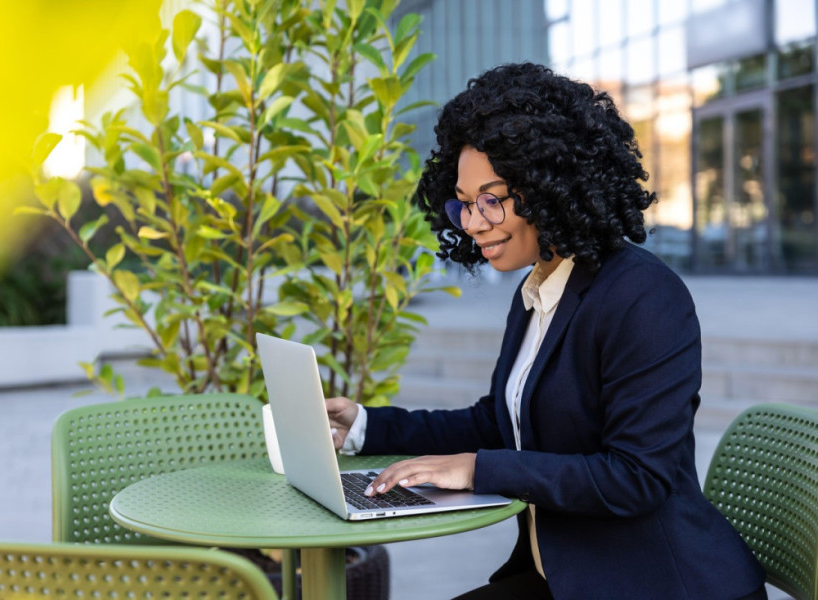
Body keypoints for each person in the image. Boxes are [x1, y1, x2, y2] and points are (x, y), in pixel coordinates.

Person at [326, 63, 767, 600]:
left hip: (654, 582)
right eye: (464, 203)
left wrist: (477, 470)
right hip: (562, 576)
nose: (473, 222)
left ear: (551, 185)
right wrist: (366, 427)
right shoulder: (539, 289)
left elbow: (636, 478)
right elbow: (499, 421)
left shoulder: (643, 297)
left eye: (492, 198)